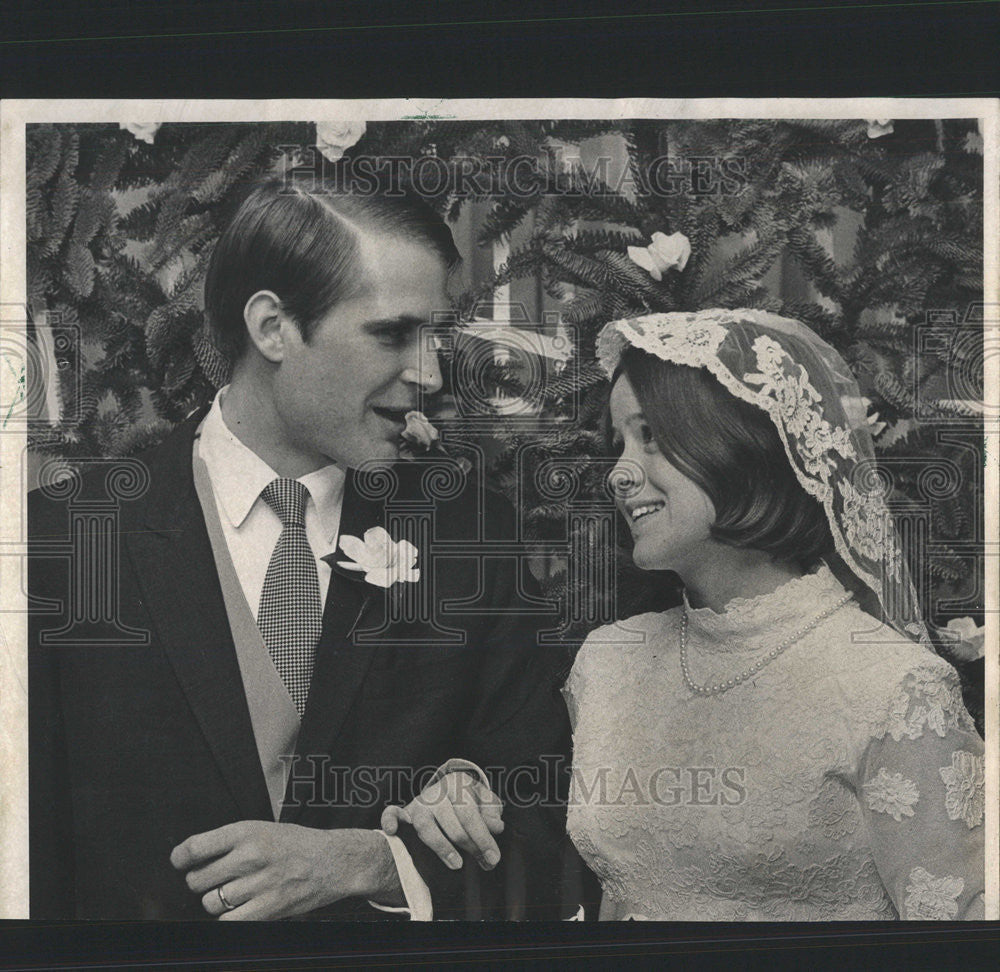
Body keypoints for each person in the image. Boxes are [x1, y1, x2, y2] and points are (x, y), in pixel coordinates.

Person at [28, 177, 571, 920]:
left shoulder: (472, 534)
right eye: (391, 333)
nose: (431, 375)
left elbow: (553, 831)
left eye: (435, 337)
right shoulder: (60, 542)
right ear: (273, 327)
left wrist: (376, 863)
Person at [560, 309, 985, 920]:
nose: (619, 474)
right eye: (618, 443)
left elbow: (960, 941)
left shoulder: (894, 687)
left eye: (649, 434)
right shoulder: (607, 662)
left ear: (742, 445)